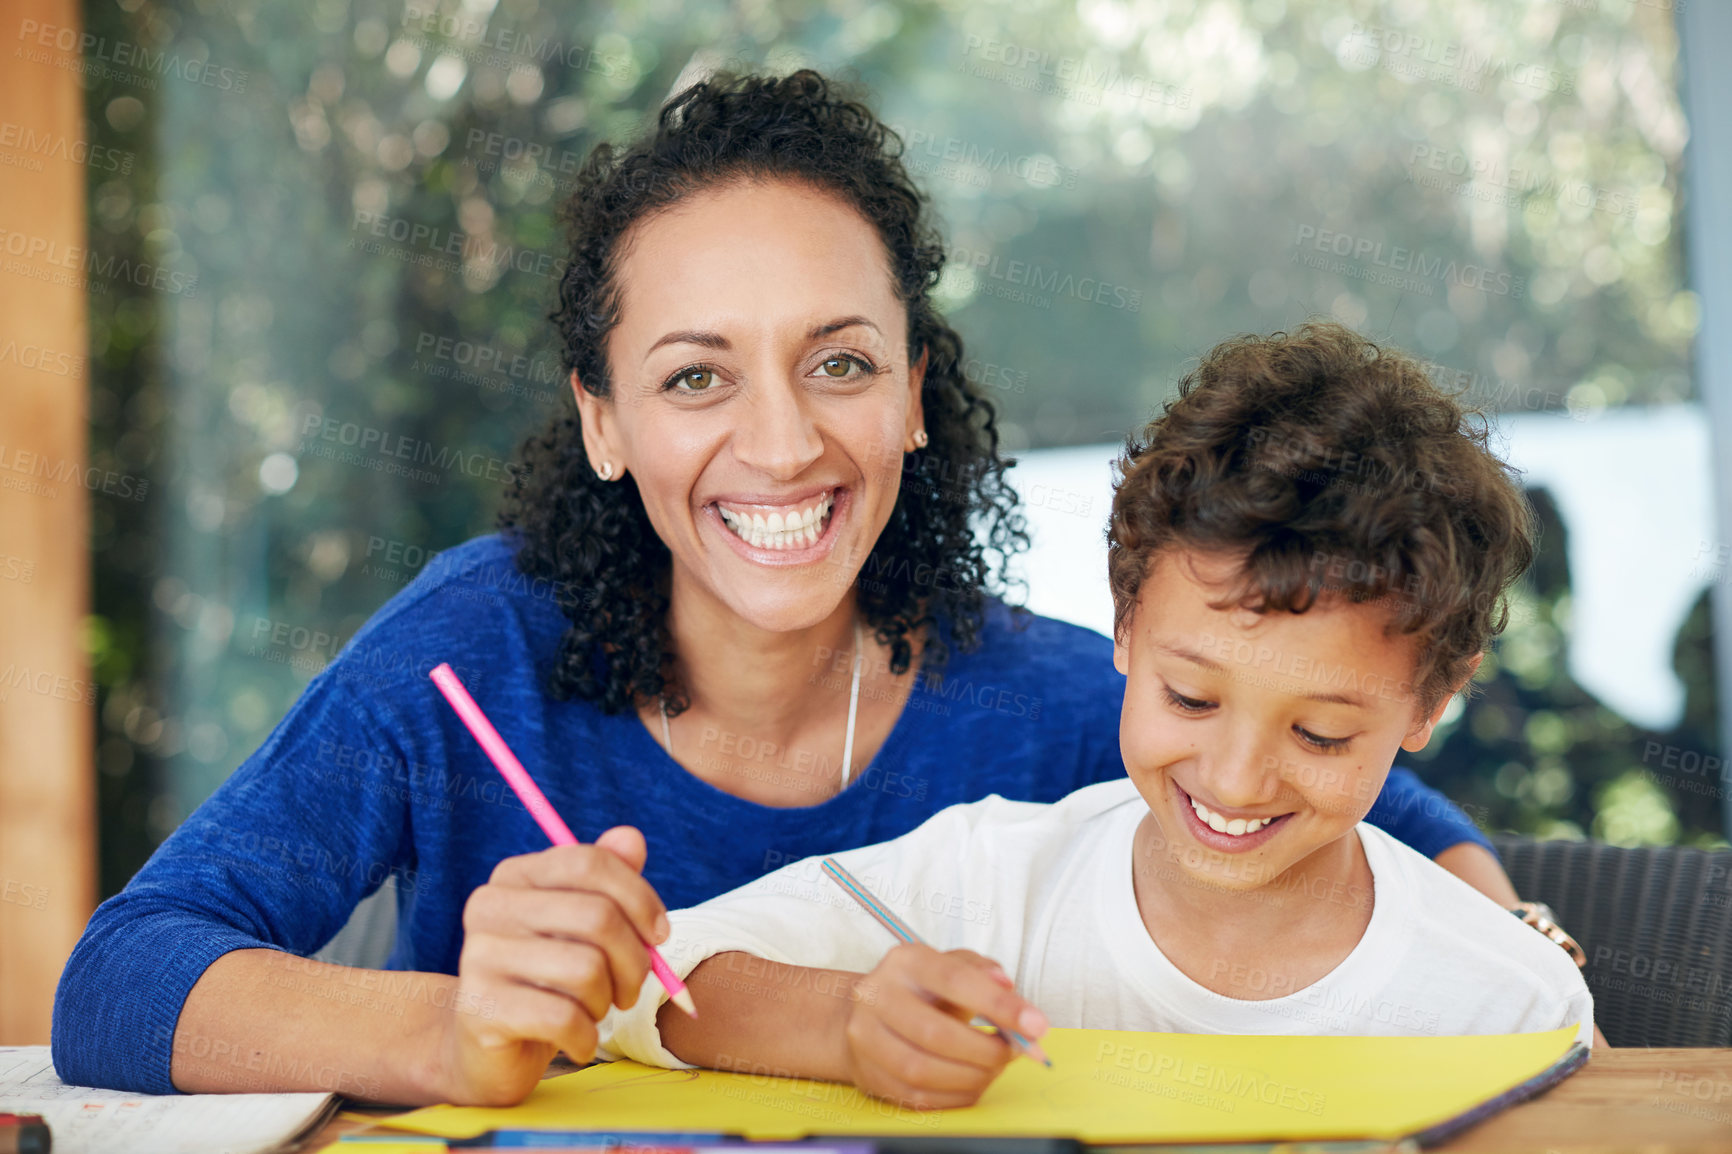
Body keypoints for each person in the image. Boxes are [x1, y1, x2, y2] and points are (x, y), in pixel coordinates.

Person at [52, 73, 1517, 1108]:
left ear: (917, 395)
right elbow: (120, 979)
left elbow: (1399, 822)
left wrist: (1520, 975)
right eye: (696, 376)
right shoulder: (472, 650)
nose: (780, 441)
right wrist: (452, 1031)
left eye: (841, 362)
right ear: (603, 421)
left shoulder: (1056, 697)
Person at [598, 324, 1595, 1110]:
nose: (1238, 778)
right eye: (1190, 697)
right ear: (1122, 625)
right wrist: (849, 1018)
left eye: (1320, 732)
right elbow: (653, 978)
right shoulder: (987, 885)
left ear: (1432, 697)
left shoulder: (1510, 1004)